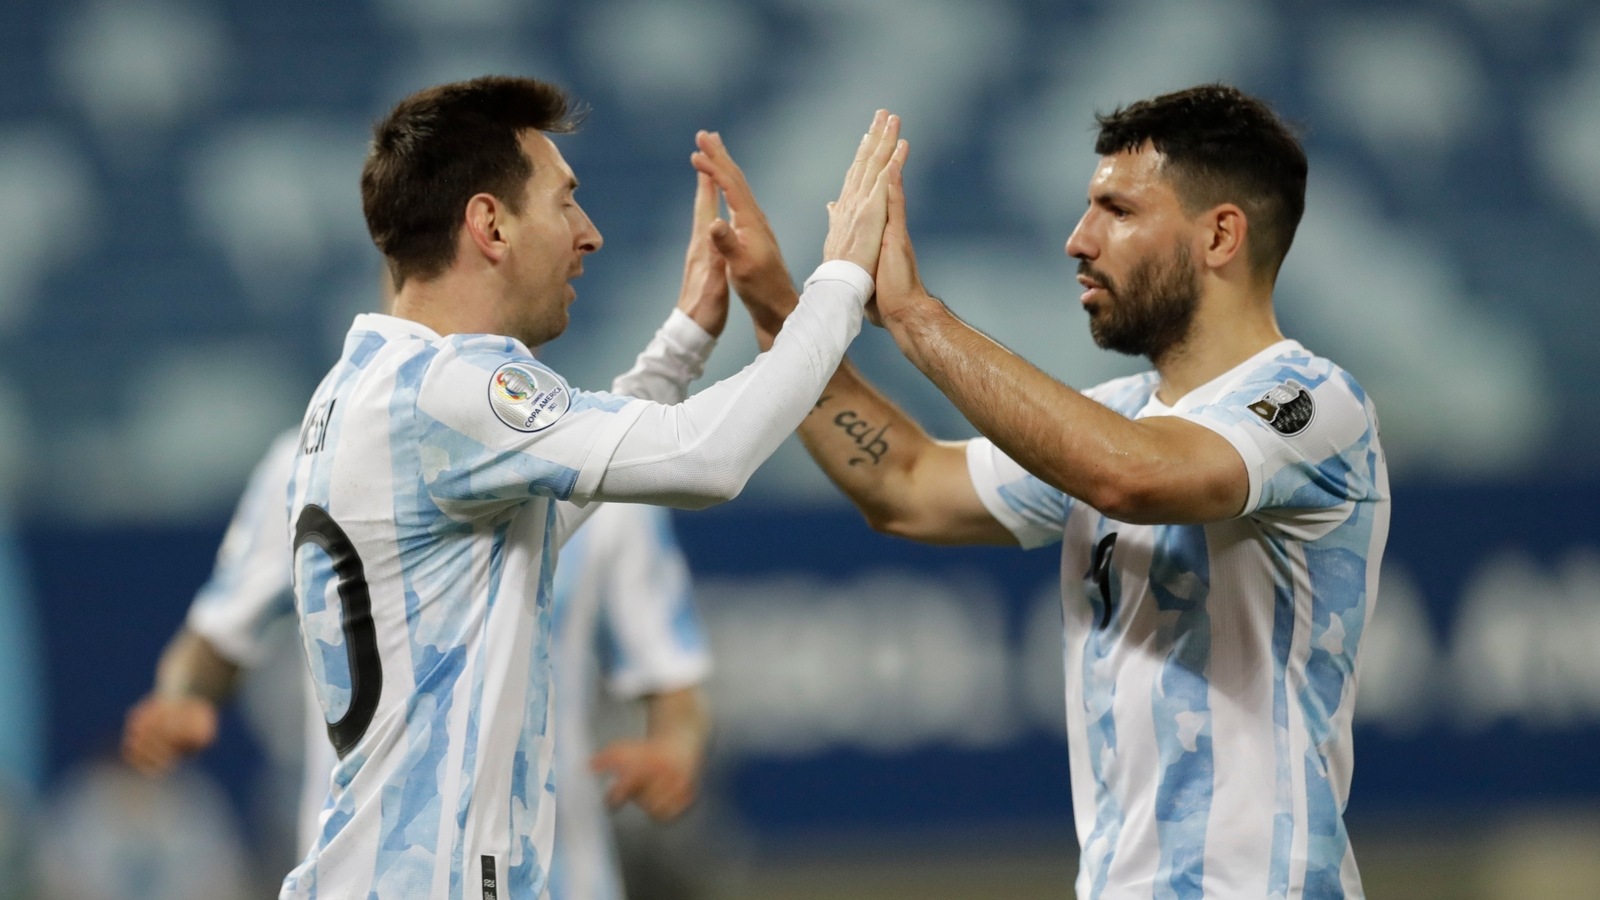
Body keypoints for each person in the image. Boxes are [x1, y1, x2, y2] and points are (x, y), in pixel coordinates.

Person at [734, 84, 1390, 899]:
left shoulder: (1312, 404)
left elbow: (1133, 476)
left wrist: (913, 317)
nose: (1079, 241)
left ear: (1220, 234)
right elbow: (907, 485)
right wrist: (780, 315)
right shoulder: (1113, 417)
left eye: (1117, 210)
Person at [282, 75, 905, 899]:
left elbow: (555, 506)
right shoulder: (451, 387)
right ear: (490, 224)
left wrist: (681, 345)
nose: (591, 234)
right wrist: (840, 281)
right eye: (565, 202)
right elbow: (707, 459)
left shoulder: (366, 388)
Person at [120, 425, 712, 898]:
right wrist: (181, 697)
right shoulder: (305, 460)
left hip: (558, 879)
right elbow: (214, 637)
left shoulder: (590, 464)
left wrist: (674, 745)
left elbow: (673, 684)